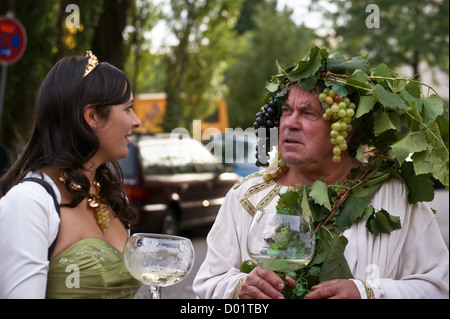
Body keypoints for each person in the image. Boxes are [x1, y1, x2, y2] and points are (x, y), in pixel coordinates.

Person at [192, 48, 449, 299]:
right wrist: (240, 287)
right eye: (286, 111)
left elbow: (439, 287)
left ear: (344, 130)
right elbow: (208, 283)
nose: (290, 123)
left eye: (307, 113)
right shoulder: (245, 196)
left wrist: (366, 293)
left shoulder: (394, 197)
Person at [0, 51, 142, 298]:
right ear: (92, 116)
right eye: (128, 109)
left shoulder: (113, 196)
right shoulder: (29, 202)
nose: (137, 121)